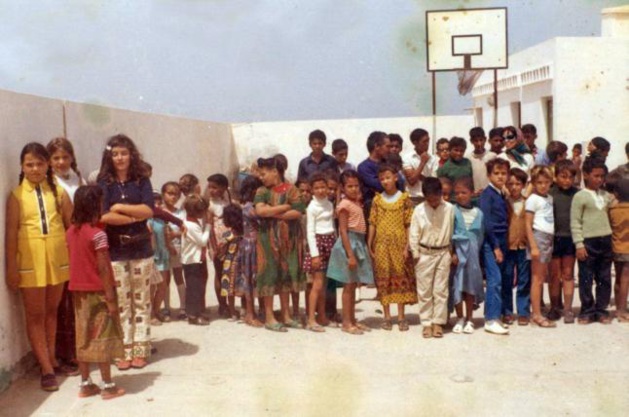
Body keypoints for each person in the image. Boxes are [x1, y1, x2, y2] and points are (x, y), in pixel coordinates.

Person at [5, 142, 73, 391]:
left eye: (39, 163)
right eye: (29, 164)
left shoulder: (58, 192)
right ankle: (45, 368)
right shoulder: (16, 196)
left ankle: (53, 358)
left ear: (48, 165)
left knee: (52, 311)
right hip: (30, 262)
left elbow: (71, 226)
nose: (35, 169)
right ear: (22, 167)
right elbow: (11, 235)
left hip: (56, 260)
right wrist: (11, 268)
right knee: (35, 315)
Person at [97, 134, 154, 370]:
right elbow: (103, 215)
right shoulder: (103, 183)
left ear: (132, 154)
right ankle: (123, 351)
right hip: (116, 250)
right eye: (115, 154)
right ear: (109, 157)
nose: (120, 158)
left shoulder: (141, 180)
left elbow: (149, 210)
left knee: (141, 300)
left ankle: (140, 349)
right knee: (120, 302)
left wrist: (120, 208)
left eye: (124, 153)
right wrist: (133, 216)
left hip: (141, 247)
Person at [66, 185, 125, 400]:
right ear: (96, 205)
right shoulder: (99, 235)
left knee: (83, 337)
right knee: (103, 338)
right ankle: (108, 385)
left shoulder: (70, 232)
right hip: (98, 292)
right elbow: (102, 268)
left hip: (78, 292)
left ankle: (85, 383)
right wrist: (110, 298)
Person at [47, 137, 86, 376]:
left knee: (79, 298)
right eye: (56, 158)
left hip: (81, 240)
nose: (61, 162)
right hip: (62, 243)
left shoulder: (77, 178)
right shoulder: (50, 183)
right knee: (62, 302)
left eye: (65, 157)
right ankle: (66, 353)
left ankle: (81, 348)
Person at [255, 157, 306, 332]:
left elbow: (298, 211)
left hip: (289, 239)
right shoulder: (262, 191)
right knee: (269, 274)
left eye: (264, 173)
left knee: (286, 274)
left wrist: (272, 213)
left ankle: (286, 315)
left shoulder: (292, 189)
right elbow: (260, 210)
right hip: (267, 240)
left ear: (275, 171)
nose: (261, 177)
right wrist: (285, 207)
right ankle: (269, 317)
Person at [368, 164, 417, 332]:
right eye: (382, 179)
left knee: (400, 277)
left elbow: (408, 223)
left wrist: (407, 246)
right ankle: (387, 317)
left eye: (388, 177)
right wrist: (370, 243)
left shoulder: (404, 199)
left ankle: (401, 316)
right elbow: (373, 223)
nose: (385, 181)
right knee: (384, 278)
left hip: (399, 244)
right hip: (381, 245)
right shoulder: (377, 200)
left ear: (395, 177)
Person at [327, 170, 374, 334]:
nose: (354, 189)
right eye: (349, 186)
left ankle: (353, 319)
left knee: (353, 285)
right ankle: (346, 323)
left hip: (358, 243)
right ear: (343, 187)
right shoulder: (344, 206)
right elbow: (343, 231)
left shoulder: (356, 203)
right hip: (350, 245)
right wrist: (350, 255)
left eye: (356, 185)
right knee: (348, 286)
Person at [409, 177, 455, 338]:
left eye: (436, 196)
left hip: (443, 252)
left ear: (441, 194)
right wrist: (415, 253)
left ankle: (438, 323)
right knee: (424, 291)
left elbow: (454, 231)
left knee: (441, 290)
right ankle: (426, 323)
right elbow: (413, 233)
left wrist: (452, 252)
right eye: (430, 197)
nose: (433, 201)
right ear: (425, 196)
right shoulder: (419, 210)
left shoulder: (449, 209)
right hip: (424, 253)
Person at [571, 157, 613, 324]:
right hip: (588, 243)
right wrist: (579, 244)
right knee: (586, 278)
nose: (599, 179)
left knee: (604, 277)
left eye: (602, 176)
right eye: (596, 176)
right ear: (586, 175)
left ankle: (601, 310)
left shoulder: (606, 196)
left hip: (606, 241)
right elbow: (575, 222)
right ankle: (587, 310)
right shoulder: (580, 196)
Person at [479, 158, 511, 335]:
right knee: (494, 279)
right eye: (496, 173)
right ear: (489, 175)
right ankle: (491, 320)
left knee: (500, 279)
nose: (500, 176)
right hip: (492, 241)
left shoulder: (500, 193)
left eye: (503, 173)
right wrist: (496, 247)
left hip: (502, 239)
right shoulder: (487, 195)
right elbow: (488, 223)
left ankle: (494, 315)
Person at [302, 172, 335, 332]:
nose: (321, 190)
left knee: (324, 285)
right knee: (317, 284)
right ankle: (311, 319)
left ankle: (322, 316)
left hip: (330, 243)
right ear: (312, 190)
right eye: (317, 188)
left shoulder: (329, 204)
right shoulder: (312, 207)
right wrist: (314, 254)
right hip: (318, 245)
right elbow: (310, 232)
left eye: (323, 187)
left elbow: (332, 226)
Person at [450, 178, 484, 335]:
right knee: (458, 286)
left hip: (473, 256)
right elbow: (449, 233)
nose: (460, 196)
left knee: (470, 287)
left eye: (464, 192)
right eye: (457, 193)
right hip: (458, 254)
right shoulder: (452, 211)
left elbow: (480, 237)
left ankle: (470, 318)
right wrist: (452, 252)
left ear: (471, 193)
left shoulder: (479, 213)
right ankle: (460, 318)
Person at [525, 166, 556, 328]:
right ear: (534, 183)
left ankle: (539, 311)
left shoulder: (549, 198)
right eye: (539, 182)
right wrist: (534, 246)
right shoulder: (532, 199)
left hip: (548, 238)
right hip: (539, 238)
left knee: (542, 277)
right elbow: (528, 225)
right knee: (537, 279)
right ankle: (536, 314)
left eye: (546, 182)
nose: (543, 185)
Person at [549, 160, 579, 323]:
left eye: (570, 177)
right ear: (555, 177)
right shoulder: (550, 193)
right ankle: (555, 307)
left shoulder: (578, 194)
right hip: (553, 238)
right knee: (554, 275)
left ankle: (567, 309)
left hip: (570, 238)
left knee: (568, 274)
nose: (567, 180)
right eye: (563, 176)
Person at [504, 168, 531, 326]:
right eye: (510, 184)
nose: (514, 187)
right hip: (508, 246)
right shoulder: (504, 202)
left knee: (524, 280)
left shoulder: (528, 202)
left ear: (523, 185)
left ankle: (523, 312)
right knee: (507, 279)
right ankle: (507, 311)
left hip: (524, 246)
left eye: (517, 184)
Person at [237, 176, 265, 327]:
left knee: (258, 279)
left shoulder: (252, 205)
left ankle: (260, 311)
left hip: (257, 245)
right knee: (249, 280)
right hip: (251, 246)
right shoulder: (249, 207)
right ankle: (250, 313)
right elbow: (263, 217)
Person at [181, 194, 211, 325]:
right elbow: (203, 241)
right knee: (194, 288)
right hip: (192, 261)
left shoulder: (193, 222)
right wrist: (209, 226)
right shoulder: (191, 225)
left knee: (199, 286)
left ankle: (199, 311)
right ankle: (193, 315)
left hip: (198, 259)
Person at [205, 173, 232, 317]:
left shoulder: (227, 201)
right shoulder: (209, 205)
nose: (211, 190)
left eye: (214, 187)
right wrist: (214, 247)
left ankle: (231, 303)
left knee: (230, 272)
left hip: (230, 240)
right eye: (209, 187)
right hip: (217, 241)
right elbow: (209, 227)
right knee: (220, 272)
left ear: (223, 188)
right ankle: (222, 304)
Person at [159, 181, 186, 321]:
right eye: (170, 193)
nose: (173, 197)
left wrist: (176, 234)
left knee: (178, 276)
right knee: (165, 278)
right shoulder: (159, 211)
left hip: (177, 249)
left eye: (176, 194)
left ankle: (183, 308)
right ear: (163, 194)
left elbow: (186, 229)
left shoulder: (181, 212)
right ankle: (167, 307)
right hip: (162, 249)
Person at [608, 177, 629, 322]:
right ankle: (622, 310)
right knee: (626, 279)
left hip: (615, 247)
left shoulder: (612, 210)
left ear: (616, 194)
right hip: (628, 249)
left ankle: (617, 307)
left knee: (618, 278)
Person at [357, 131, 392, 216]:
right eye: (387, 146)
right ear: (377, 146)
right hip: (373, 210)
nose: (390, 150)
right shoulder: (364, 167)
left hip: (392, 207)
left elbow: (400, 183)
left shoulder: (390, 164)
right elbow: (379, 186)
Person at [402, 128, 439, 205]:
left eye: (428, 140)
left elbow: (433, 183)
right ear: (415, 143)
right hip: (412, 198)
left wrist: (416, 174)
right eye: (424, 141)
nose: (427, 144)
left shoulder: (434, 159)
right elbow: (412, 181)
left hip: (429, 199)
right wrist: (422, 162)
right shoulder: (406, 158)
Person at [468, 127, 495, 195]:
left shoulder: (492, 156)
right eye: (476, 141)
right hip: (475, 195)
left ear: (485, 139)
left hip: (490, 194)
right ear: (471, 141)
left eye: (481, 140)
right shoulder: (468, 158)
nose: (479, 143)